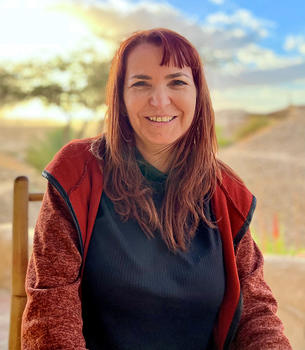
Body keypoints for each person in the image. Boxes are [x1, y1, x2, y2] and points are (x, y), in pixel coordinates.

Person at [21, 28, 292, 350]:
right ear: (119, 97)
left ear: (198, 95)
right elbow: (51, 308)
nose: (160, 100)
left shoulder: (227, 192)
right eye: (140, 83)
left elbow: (256, 311)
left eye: (177, 82)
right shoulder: (78, 172)